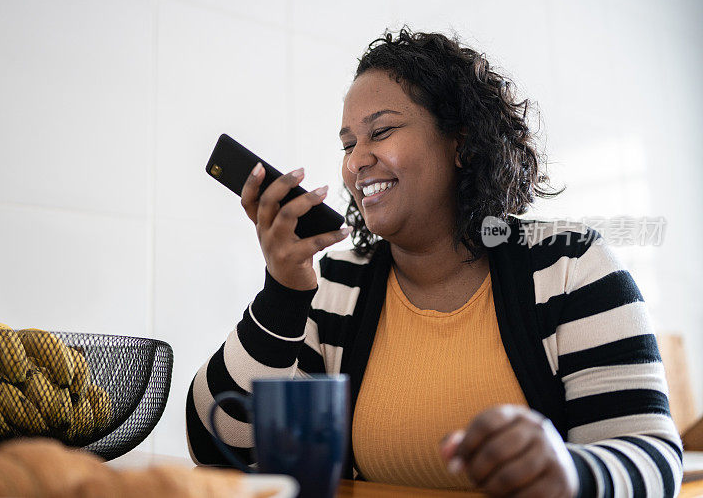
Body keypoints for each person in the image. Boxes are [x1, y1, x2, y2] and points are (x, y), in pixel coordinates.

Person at [186, 28, 682, 497]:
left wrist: (569, 473)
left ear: (461, 142)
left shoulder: (571, 265)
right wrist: (283, 293)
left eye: (380, 131)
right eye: (347, 144)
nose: (355, 161)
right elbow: (218, 446)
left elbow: (654, 457)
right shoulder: (338, 284)